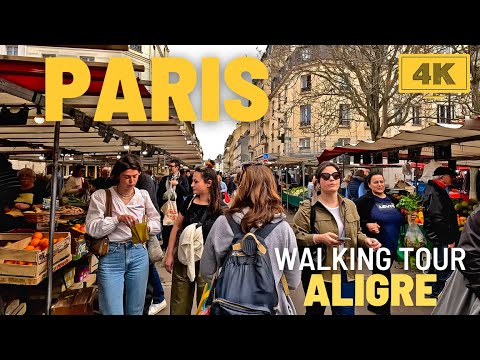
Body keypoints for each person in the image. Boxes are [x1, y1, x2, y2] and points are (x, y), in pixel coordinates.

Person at [200, 164, 301, 315]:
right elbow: (293, 282)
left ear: (241, 187)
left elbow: (206, 272)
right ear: (272, 188)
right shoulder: (283, 229)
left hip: (227, 306)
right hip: (271, 308)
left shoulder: (223, 223)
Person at [292, 161, 381, 315]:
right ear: (318, 181)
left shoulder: (350, 205)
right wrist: (318, 238)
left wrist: (365, 240)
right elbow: (295, 236)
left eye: (335, 175)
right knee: (315, 312)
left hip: (346, 273)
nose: (331, 179)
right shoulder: (308, 208)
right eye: (325, 176)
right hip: (318, 273)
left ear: (340, 179)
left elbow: (357, 232)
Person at [85, 154, 161, 315]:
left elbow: (156, 222)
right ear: (117, 176)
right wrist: (116, 219)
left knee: (136, 309)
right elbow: (91, 228)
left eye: (135, 176)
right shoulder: (101, 196)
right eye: (127, 177)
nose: (131, 181)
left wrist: (146, 228)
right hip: (111, 254)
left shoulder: (143, 195)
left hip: (138, 252)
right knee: (112, 310)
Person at [164, 166, 224, 315]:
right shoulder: (189, 201)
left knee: (204, 304)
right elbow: (176, 227)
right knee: (179, 301)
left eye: (196, 182)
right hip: (183, 257)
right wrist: (169, 254)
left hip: (208, 262)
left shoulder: (220, 208)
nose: (192, 184)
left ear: (209, 183)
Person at [355, 172, 405, 315]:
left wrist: (408, 216)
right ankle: (383, 310)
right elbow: (354, 220)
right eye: (376, 182)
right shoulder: (364, 201)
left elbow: (398, 218)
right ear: (369, 185)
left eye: (381, 182)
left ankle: (374, 304)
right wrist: (367, 224)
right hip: (376, 246)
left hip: (392, 244)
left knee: (380, 275)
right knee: (383, 276)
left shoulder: (392, 200)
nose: (379, 185)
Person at [421, 166, 460, 299]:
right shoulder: (436, 192)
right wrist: (449, 239)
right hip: (441, 236)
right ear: (442, 178)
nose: (452, 178)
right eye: (450, 176)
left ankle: (431, 288)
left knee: (437, 262)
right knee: (442, 264)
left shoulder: (435, 190)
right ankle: (438, 292)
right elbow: (438, 218)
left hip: (437, 235)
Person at [135, 168, 167, 316]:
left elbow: (145, 207)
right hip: (140, 229)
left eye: (133, 176)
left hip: (143, 229)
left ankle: (158, 297)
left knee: (149, 264)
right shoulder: (145, 180)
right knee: (148, 265)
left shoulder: (145, 183)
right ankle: (156, 297)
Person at [157, 159, 189, 251]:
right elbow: (159, 193)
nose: (170, 168)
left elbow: (186, 192)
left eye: (172, 166)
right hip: (166, 207)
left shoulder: (183, 179)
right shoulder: (165, 179)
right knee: (166, 226)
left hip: (178, 207)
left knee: (176, 227)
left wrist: (177, 184)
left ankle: (175, 246)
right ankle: (166, 246)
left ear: (177, 167)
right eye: (169, 166)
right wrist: (160, 206)